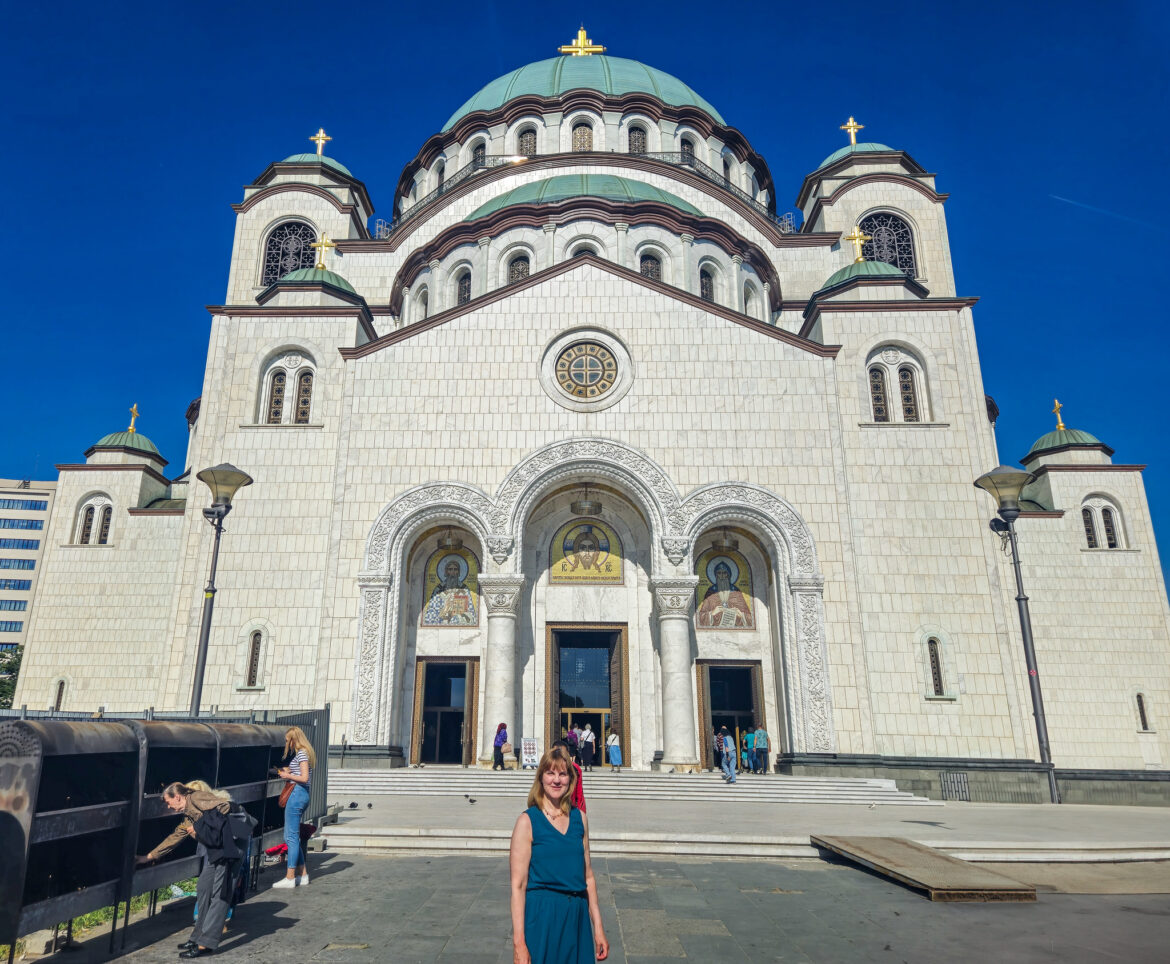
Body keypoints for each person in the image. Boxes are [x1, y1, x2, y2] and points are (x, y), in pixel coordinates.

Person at [509, 747, 609, 964]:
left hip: (577, 917)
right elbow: (518, 886)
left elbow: (588, 877)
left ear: (570, 779)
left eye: (563, 774)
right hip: (543, 917)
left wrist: (598, 928)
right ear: (541, 778)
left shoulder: (580, 818)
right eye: (550, 773)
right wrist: (519, 943)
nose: (556, 780)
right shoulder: (527, 822)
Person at [136, 782, 245, 958]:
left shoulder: (196, 798)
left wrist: (200, 826)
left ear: (178, 797)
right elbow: (175, 837)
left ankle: (206, 943)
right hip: (217, 848)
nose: (169, 807)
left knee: (220, 893)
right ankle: (197, 936)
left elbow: (225, 806)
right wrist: (149, 857)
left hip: (232, 845)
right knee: (203, 887)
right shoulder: (189, 814)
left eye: (168, 802)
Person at [272, 726, 314, 889]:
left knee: (290, 837)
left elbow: (304, 778)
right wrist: (288, 770)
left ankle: (290, 877)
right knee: (292, 836)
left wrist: (287, 775)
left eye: (287, 740)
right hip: (301, 794)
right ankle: (303, 875)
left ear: (293, 739)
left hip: (296, 794)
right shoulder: (305, 753)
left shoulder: (302, 753)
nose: (286, 744)